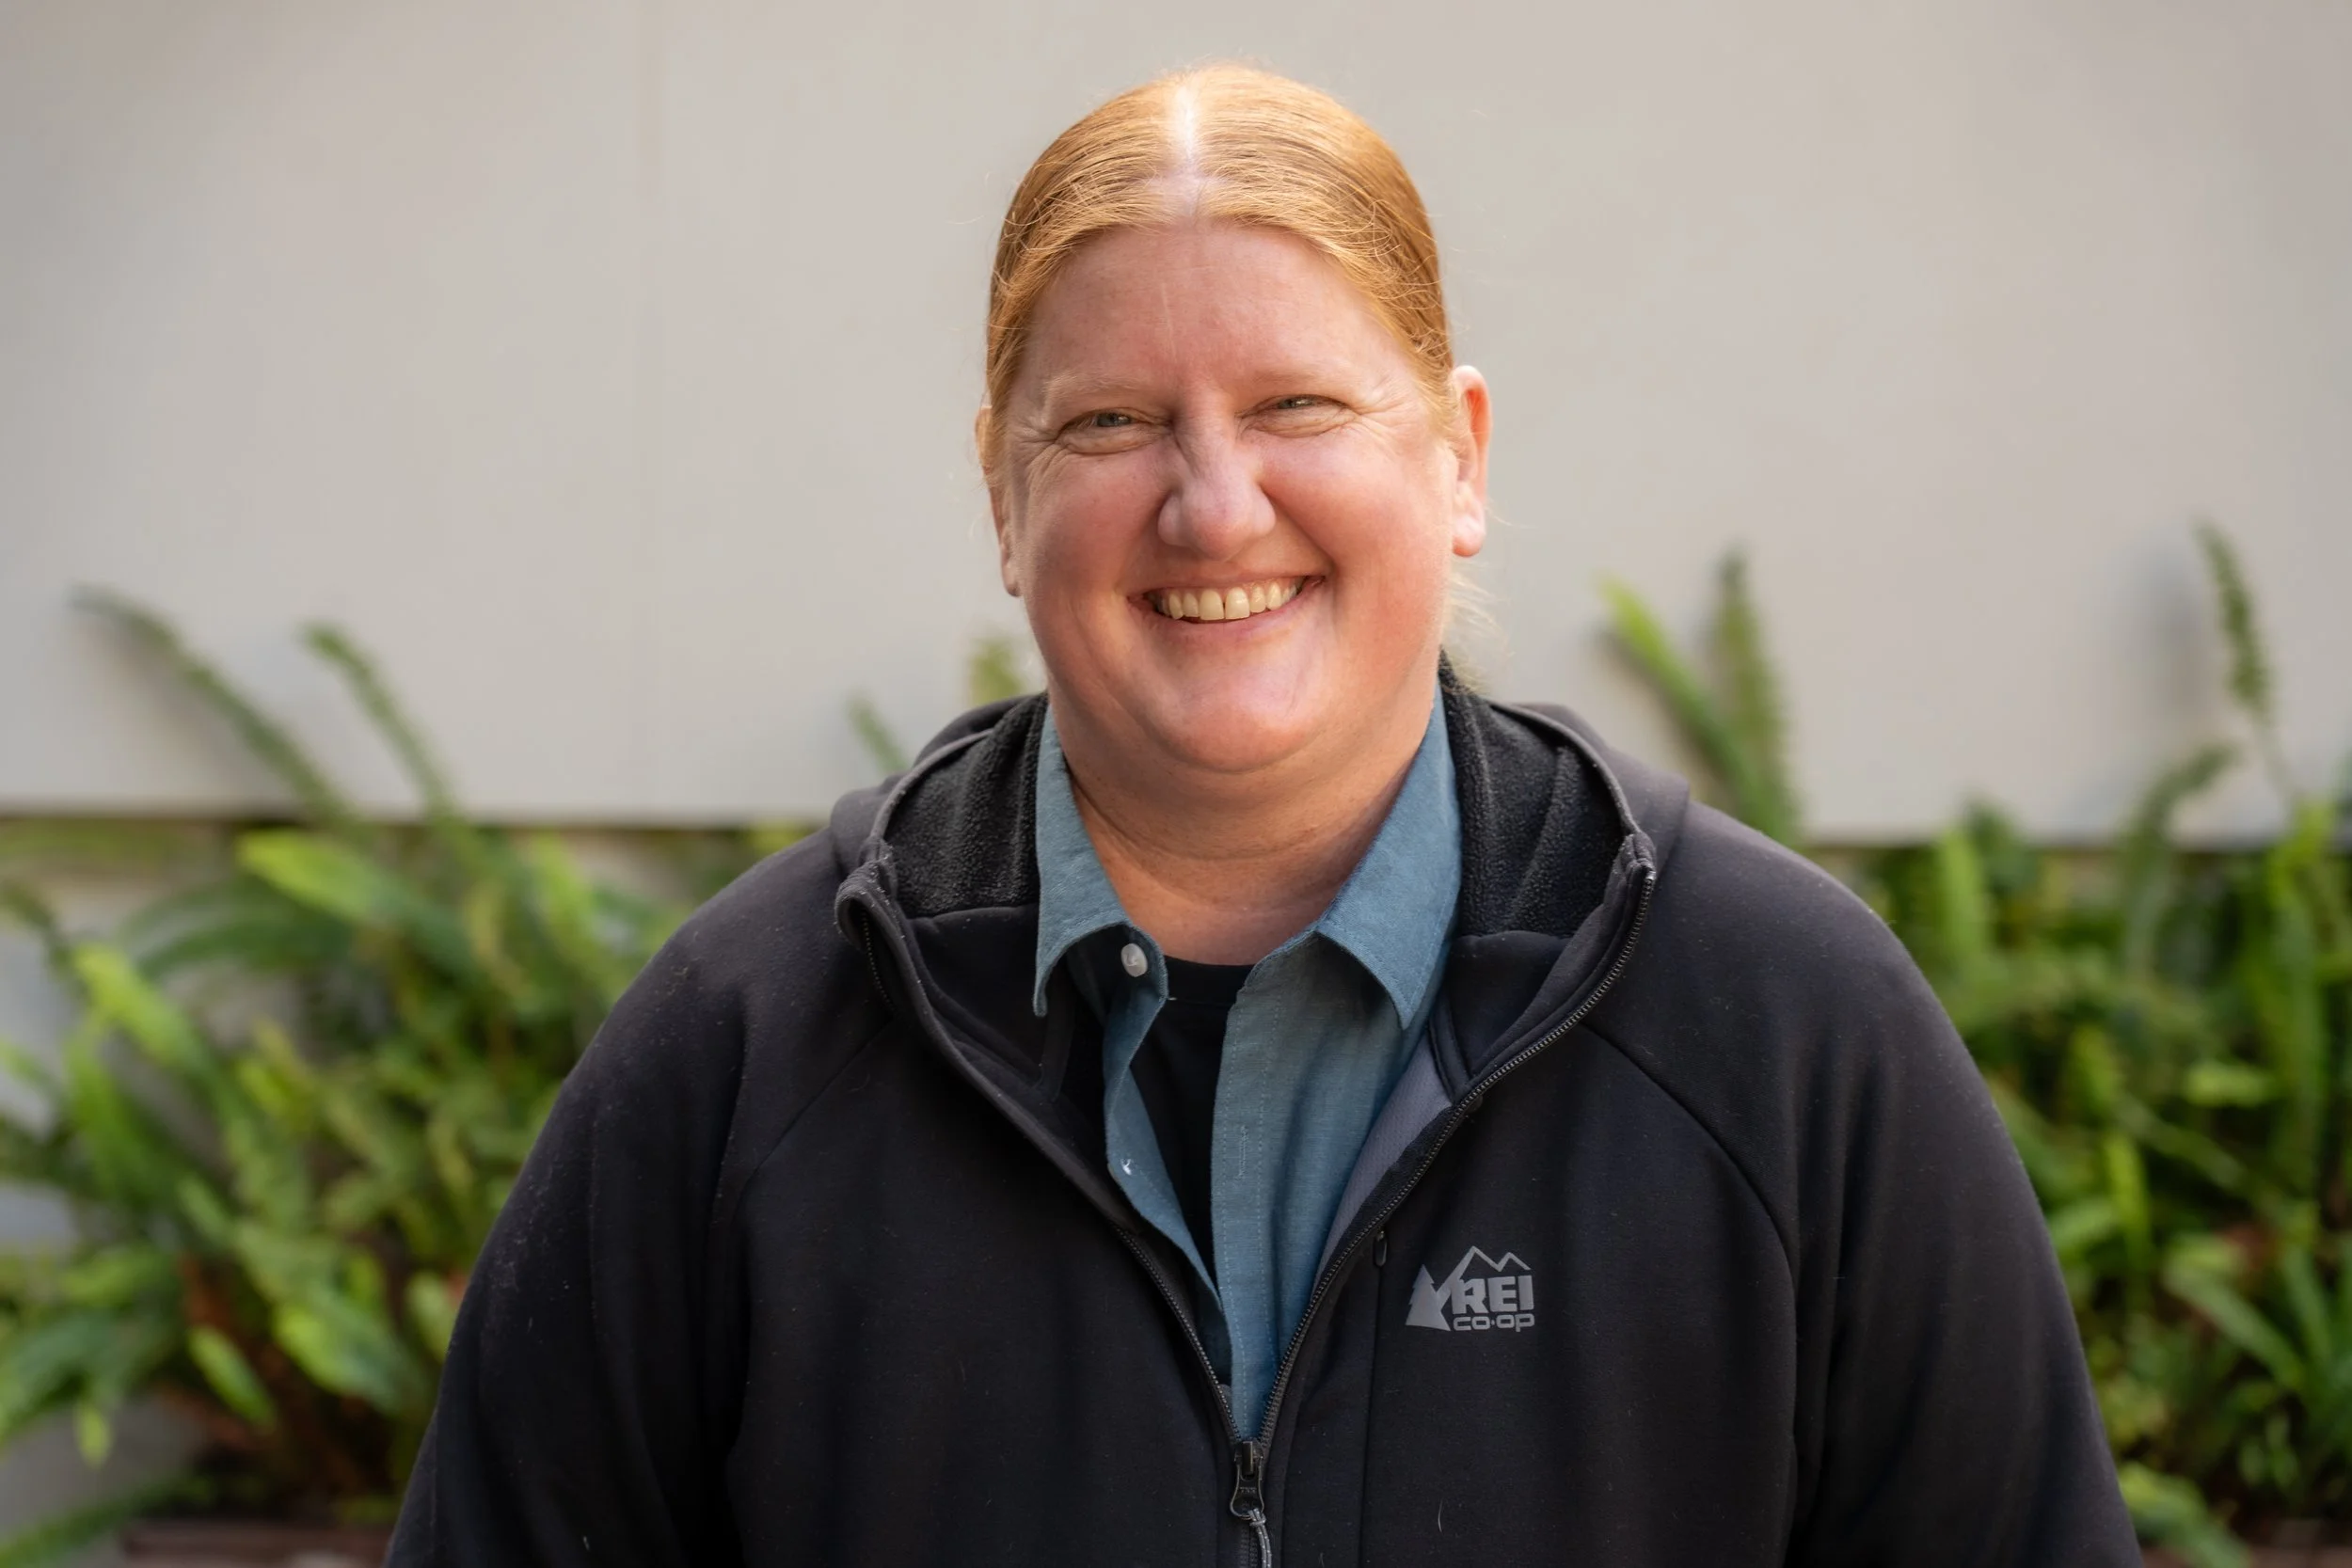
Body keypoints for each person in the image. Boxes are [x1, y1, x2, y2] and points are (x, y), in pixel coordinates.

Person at [389, 65, 2138, 1566]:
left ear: (1457, 456)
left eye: (1298, 404)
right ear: (1004, 494)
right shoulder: (744, 1056)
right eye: (1113, 422)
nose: (1215, 506)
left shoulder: (1782, 1034)